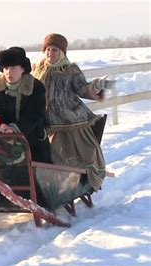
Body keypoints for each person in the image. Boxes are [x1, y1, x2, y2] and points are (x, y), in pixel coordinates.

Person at [32, 33, 115, 191]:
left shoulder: (70, 70)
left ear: (61, 52)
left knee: (77, 155)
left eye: (54, 50)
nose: (50, 53)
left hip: (70, 120)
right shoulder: (37, 70)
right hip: (47, 121)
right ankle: (54, 187)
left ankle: (80, 181)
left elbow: (82, 88)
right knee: (50, 157)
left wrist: (96, 86)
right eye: (48, 49)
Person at [0, 47, 52, 163]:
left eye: (13, 68)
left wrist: (15, 128)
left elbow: (35, 115)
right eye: (6, 68)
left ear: (22, 69)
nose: (9, 72)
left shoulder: (35, 87)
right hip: (5, 141)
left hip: (33, 140)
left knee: (37, 176)